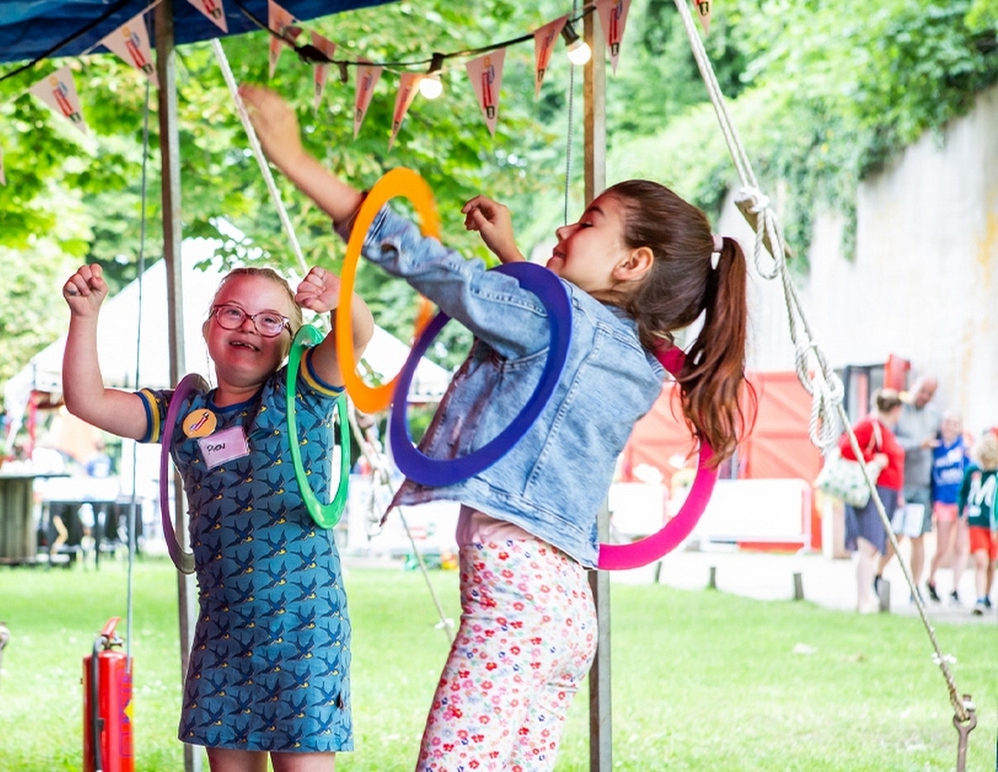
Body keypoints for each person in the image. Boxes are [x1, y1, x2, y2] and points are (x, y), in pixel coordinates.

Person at [240, 84, 751, 771]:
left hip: (515, 597)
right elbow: (551, 339)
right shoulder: (635, 356)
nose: (567, 229)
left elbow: (430, 266)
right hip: (568, 610)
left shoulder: (545, 318)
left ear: (632, 263)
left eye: (589, 222)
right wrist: (512, 255)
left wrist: (293, 158)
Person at [61, 261, 374, 772]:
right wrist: (85, 316)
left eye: (270, 320)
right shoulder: (182, 415)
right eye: (233, 312)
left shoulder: (303, 394)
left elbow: (356, 336)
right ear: (208, 326)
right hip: (224, 633)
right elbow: (87, 401)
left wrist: (343, 299)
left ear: (295, 339)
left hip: (304, 631)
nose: (249, 325)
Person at [840, 388, 904, 614]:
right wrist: (873, 459)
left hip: (887, 492)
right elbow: (846, 447)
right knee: (867, 546)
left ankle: (865, 597)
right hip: (871, 493)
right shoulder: (870, 425)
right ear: (895, 409)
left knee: (873, 547)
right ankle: (863, 598)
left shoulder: (885, 429)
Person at [881, 375, 940, 600]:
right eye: (922, 390)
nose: (925, 396)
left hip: (922, 486)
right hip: (901, 484)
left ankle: (915, 588)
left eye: (930, 393)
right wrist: (918, 445)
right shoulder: (899, 410)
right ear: (913, 386)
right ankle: (877, 574)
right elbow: (891, 442)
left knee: (918, 537)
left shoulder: (934, 415)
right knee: (895, 534)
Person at [926, 411, 969, 603]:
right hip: (942, 502)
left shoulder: (965, 448)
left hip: (961, 503)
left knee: (960, 546)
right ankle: (931, 579)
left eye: (954, 423)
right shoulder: (935, 447)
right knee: (942, 547)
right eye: (946, 422)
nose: (949, 427)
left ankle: (955, 588)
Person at [959, 433, 998, 615]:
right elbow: (962, 492)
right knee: (981, 561)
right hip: (976, 522)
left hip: (993, 525)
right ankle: (979, 598)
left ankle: (987, 595)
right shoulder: (972, 471)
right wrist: (962, 512)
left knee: (991, 563)